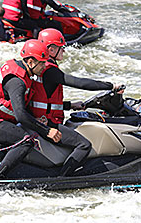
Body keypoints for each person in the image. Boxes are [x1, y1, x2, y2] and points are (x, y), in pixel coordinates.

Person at [28, 28, 124, 176]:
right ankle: (63, 178)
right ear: (51, 49)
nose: (64, 51)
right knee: (84, 145)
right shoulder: (50, 70)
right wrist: (110, 85)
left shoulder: (41, 67)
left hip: (42, 119)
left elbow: (43, 100)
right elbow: (79, 83)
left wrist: (69, 105)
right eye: (62, 48)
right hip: (47, 123)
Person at [0, 39, 62, 179]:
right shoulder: (17, 82)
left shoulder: (22, 70)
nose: (44, 66)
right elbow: (21, 116)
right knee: (26, 140)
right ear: (30, 62)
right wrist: (47, 131)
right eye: (42, 62)